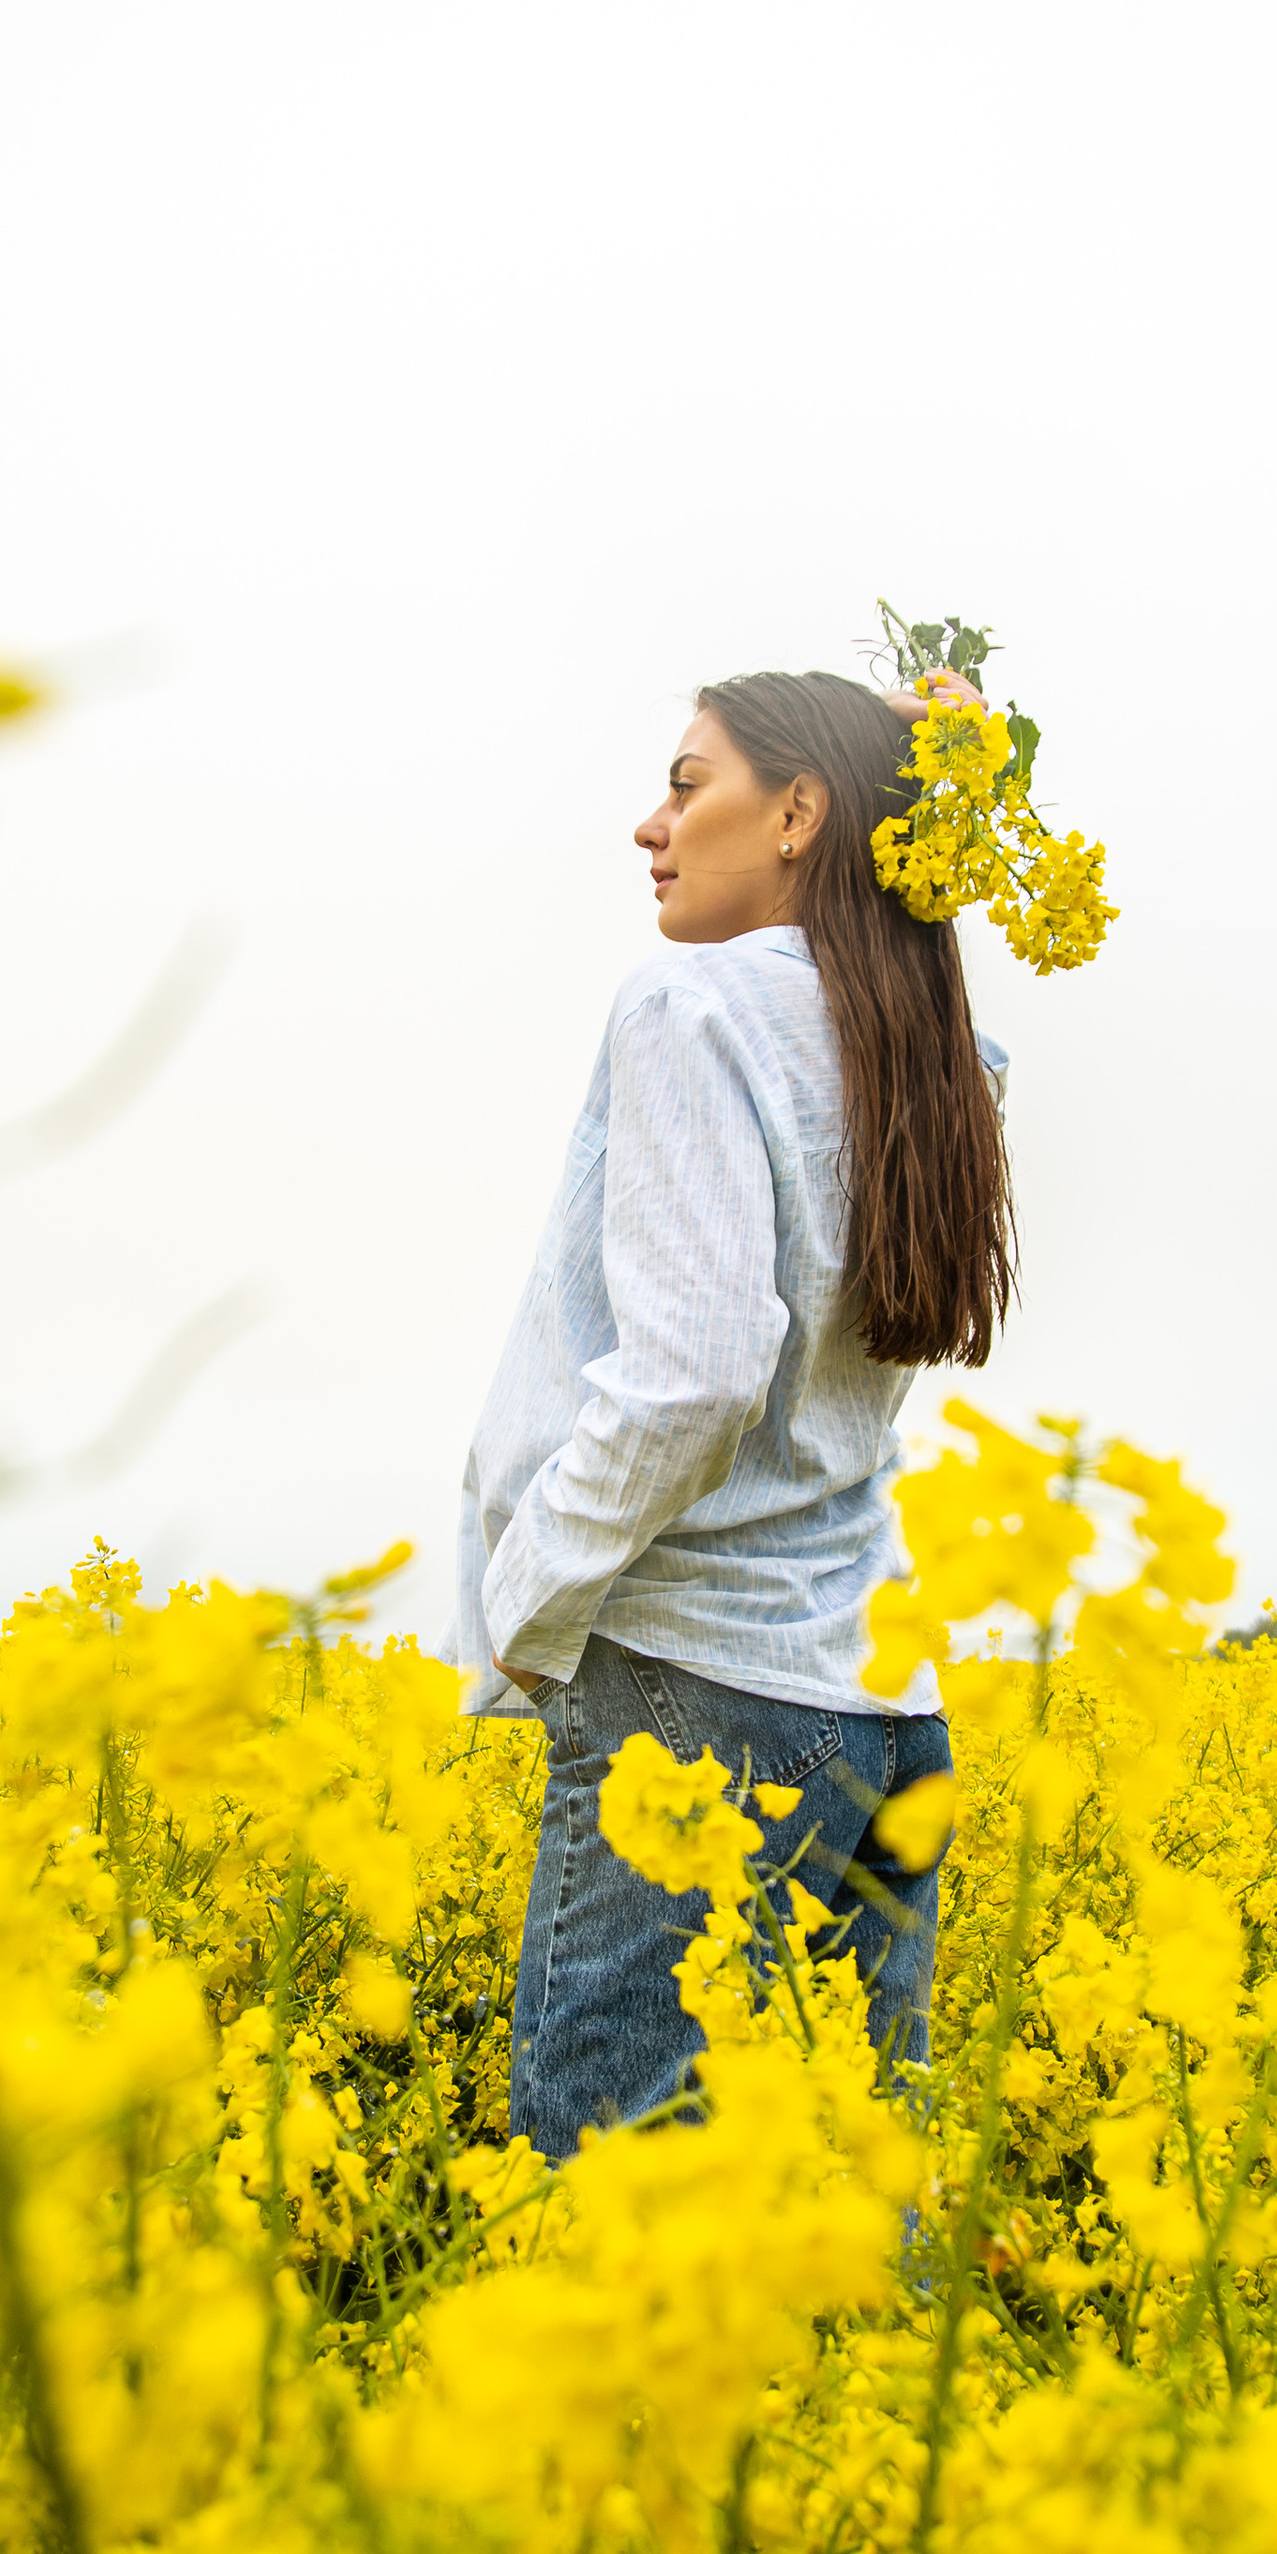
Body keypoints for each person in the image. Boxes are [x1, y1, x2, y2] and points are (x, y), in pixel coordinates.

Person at [457, 662, 1016, 2163]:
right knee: (831, 2236)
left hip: (696, 1697)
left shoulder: (689, 1006)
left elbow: (699, 1370)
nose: (651, 825)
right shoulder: (947, 1055)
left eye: (688, 784)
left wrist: (529, 1592)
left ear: (800, 814)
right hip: (886, 1712)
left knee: (616, 2218)